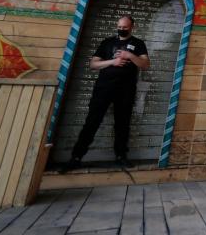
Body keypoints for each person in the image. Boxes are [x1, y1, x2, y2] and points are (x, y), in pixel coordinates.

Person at [64, 15, 150, 171]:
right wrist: (113, 62)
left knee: (122, 124)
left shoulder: (138, 44)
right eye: (120, 27)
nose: (121, 29)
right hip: (103, 88)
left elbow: (145, 65)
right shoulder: (107, 42)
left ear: (132, 27)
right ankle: (76, 157)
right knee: (92, 122)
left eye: (125, 27)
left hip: (126, 90)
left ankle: (121, 157)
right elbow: (93, 64)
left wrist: (129, 55)